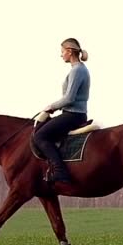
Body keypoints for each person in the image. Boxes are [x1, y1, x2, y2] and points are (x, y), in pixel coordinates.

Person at [33, 38, 90, 185]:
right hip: (74, 113)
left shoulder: (77, 70)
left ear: (70, 51)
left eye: (62, 51)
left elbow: (69, 98)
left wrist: (51, 107)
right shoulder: (79, 69)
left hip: (73, 115)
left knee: (40, 136)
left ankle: (60, 172)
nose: (61, 55)